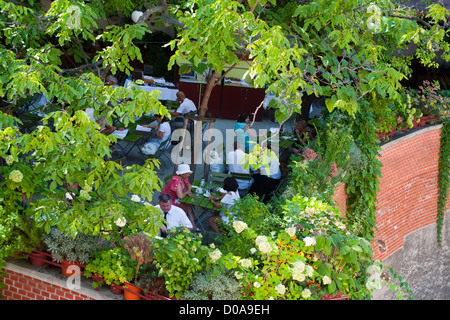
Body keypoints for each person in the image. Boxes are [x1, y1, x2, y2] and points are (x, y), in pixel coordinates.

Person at [161, 164, 200, 231]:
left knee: (189, 205)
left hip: (175, 199)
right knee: (184, 210)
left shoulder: (183, 178)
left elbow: (189, 185)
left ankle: (192, 224)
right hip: (168, 201)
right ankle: (182, 227)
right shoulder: (176, 181)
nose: (189, 174)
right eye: (187, 173)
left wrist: (189, 190)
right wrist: (187, 192)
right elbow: (181, 196)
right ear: (182, 174)